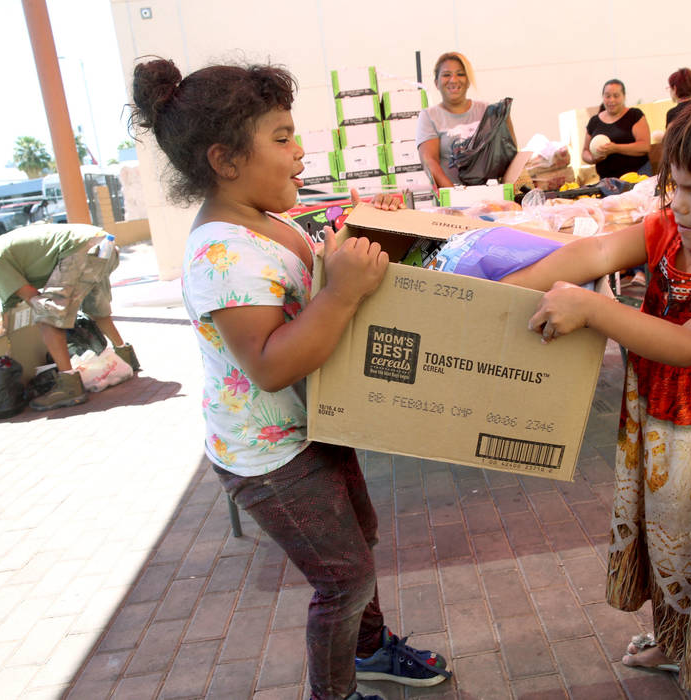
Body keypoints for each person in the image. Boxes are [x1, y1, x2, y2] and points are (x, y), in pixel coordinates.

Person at [130, 59, 452, 700]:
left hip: (315, 423)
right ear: (225, 160)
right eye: (281, 138)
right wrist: (340, 295)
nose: (301, 151)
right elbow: (272, 361)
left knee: (358, 543)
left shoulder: (267, 221)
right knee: (343, 580)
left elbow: (306, 282)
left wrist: (362, 239)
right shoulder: (220, 255)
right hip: (269, 456)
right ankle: (332, 693)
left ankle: (369, 652)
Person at [502, 82, 691, 698]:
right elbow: (592, 250)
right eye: (676, 188)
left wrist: (593, 313)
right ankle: (675, 643)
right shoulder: (670, 235)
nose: (679, 207)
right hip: (658, 431)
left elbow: (687, 343)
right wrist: (500, 288)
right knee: (665, 541)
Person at [0, 224, 139, 410]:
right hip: (104, 244)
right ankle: (125, 356)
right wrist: (3, 335)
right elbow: (11, 306)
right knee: (96, 309)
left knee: (46, 316)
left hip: (79, 251)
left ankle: (68, 386)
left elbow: (32, 297)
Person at [416, 51, 514, 188]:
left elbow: (508, 153)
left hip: (490, 197)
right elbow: (430, 161)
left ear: (468, 81)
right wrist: (455, 194)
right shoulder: (429, 116)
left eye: (460, 74)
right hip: (451, 200)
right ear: (436, 83)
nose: (454, 80)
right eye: (446, 75)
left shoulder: (488, 111)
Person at [582, 79, 652, 179]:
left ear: (624, 96)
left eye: (616, 96)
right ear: (603, 97)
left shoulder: (634, 115)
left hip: (637, 177)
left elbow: (644, 147)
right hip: (607, 181)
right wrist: (593, 158)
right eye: (608, 96)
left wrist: (615, 148)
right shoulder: (594, 121)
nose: (611, 100)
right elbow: (585, 151)